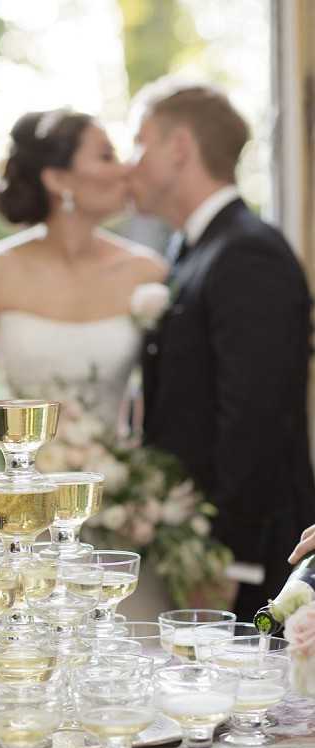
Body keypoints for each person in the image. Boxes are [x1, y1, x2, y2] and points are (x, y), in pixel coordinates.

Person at [128, 79, 315, 620]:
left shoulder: (249, 253)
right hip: (195, 548)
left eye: (141, 141)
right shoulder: (189, 250)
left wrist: (225, 562)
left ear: (180, 148)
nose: (131, 163)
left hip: (254, 558)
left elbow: (253, 422)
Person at [0, 109, 167, 468]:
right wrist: (7, 502)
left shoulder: (149, 273)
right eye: (106, 156)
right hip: (17, 500)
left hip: (117, 496)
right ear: (59, 180)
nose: (125, 168)